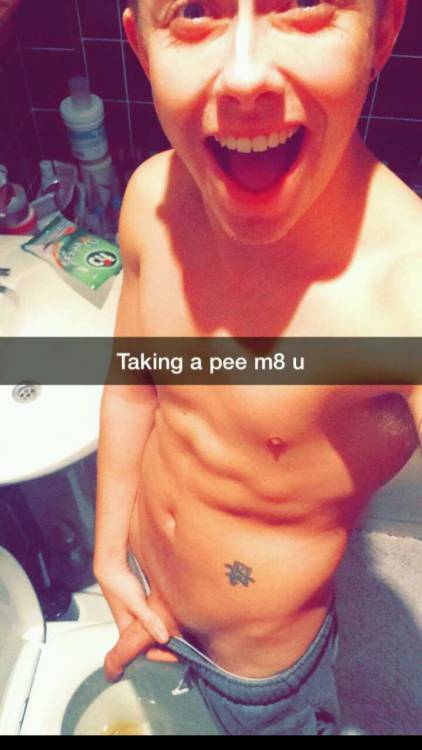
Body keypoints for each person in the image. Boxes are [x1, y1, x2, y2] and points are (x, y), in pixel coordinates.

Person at [94, 0, 422, 735]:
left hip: (257, 674)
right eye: (195, 10)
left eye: (304, 5)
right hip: (143, 587)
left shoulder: (406, 294)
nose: (244, 75)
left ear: (382, 33)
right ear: (142, 48)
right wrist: (110, 555)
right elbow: (132, 393)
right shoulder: (149, 199)